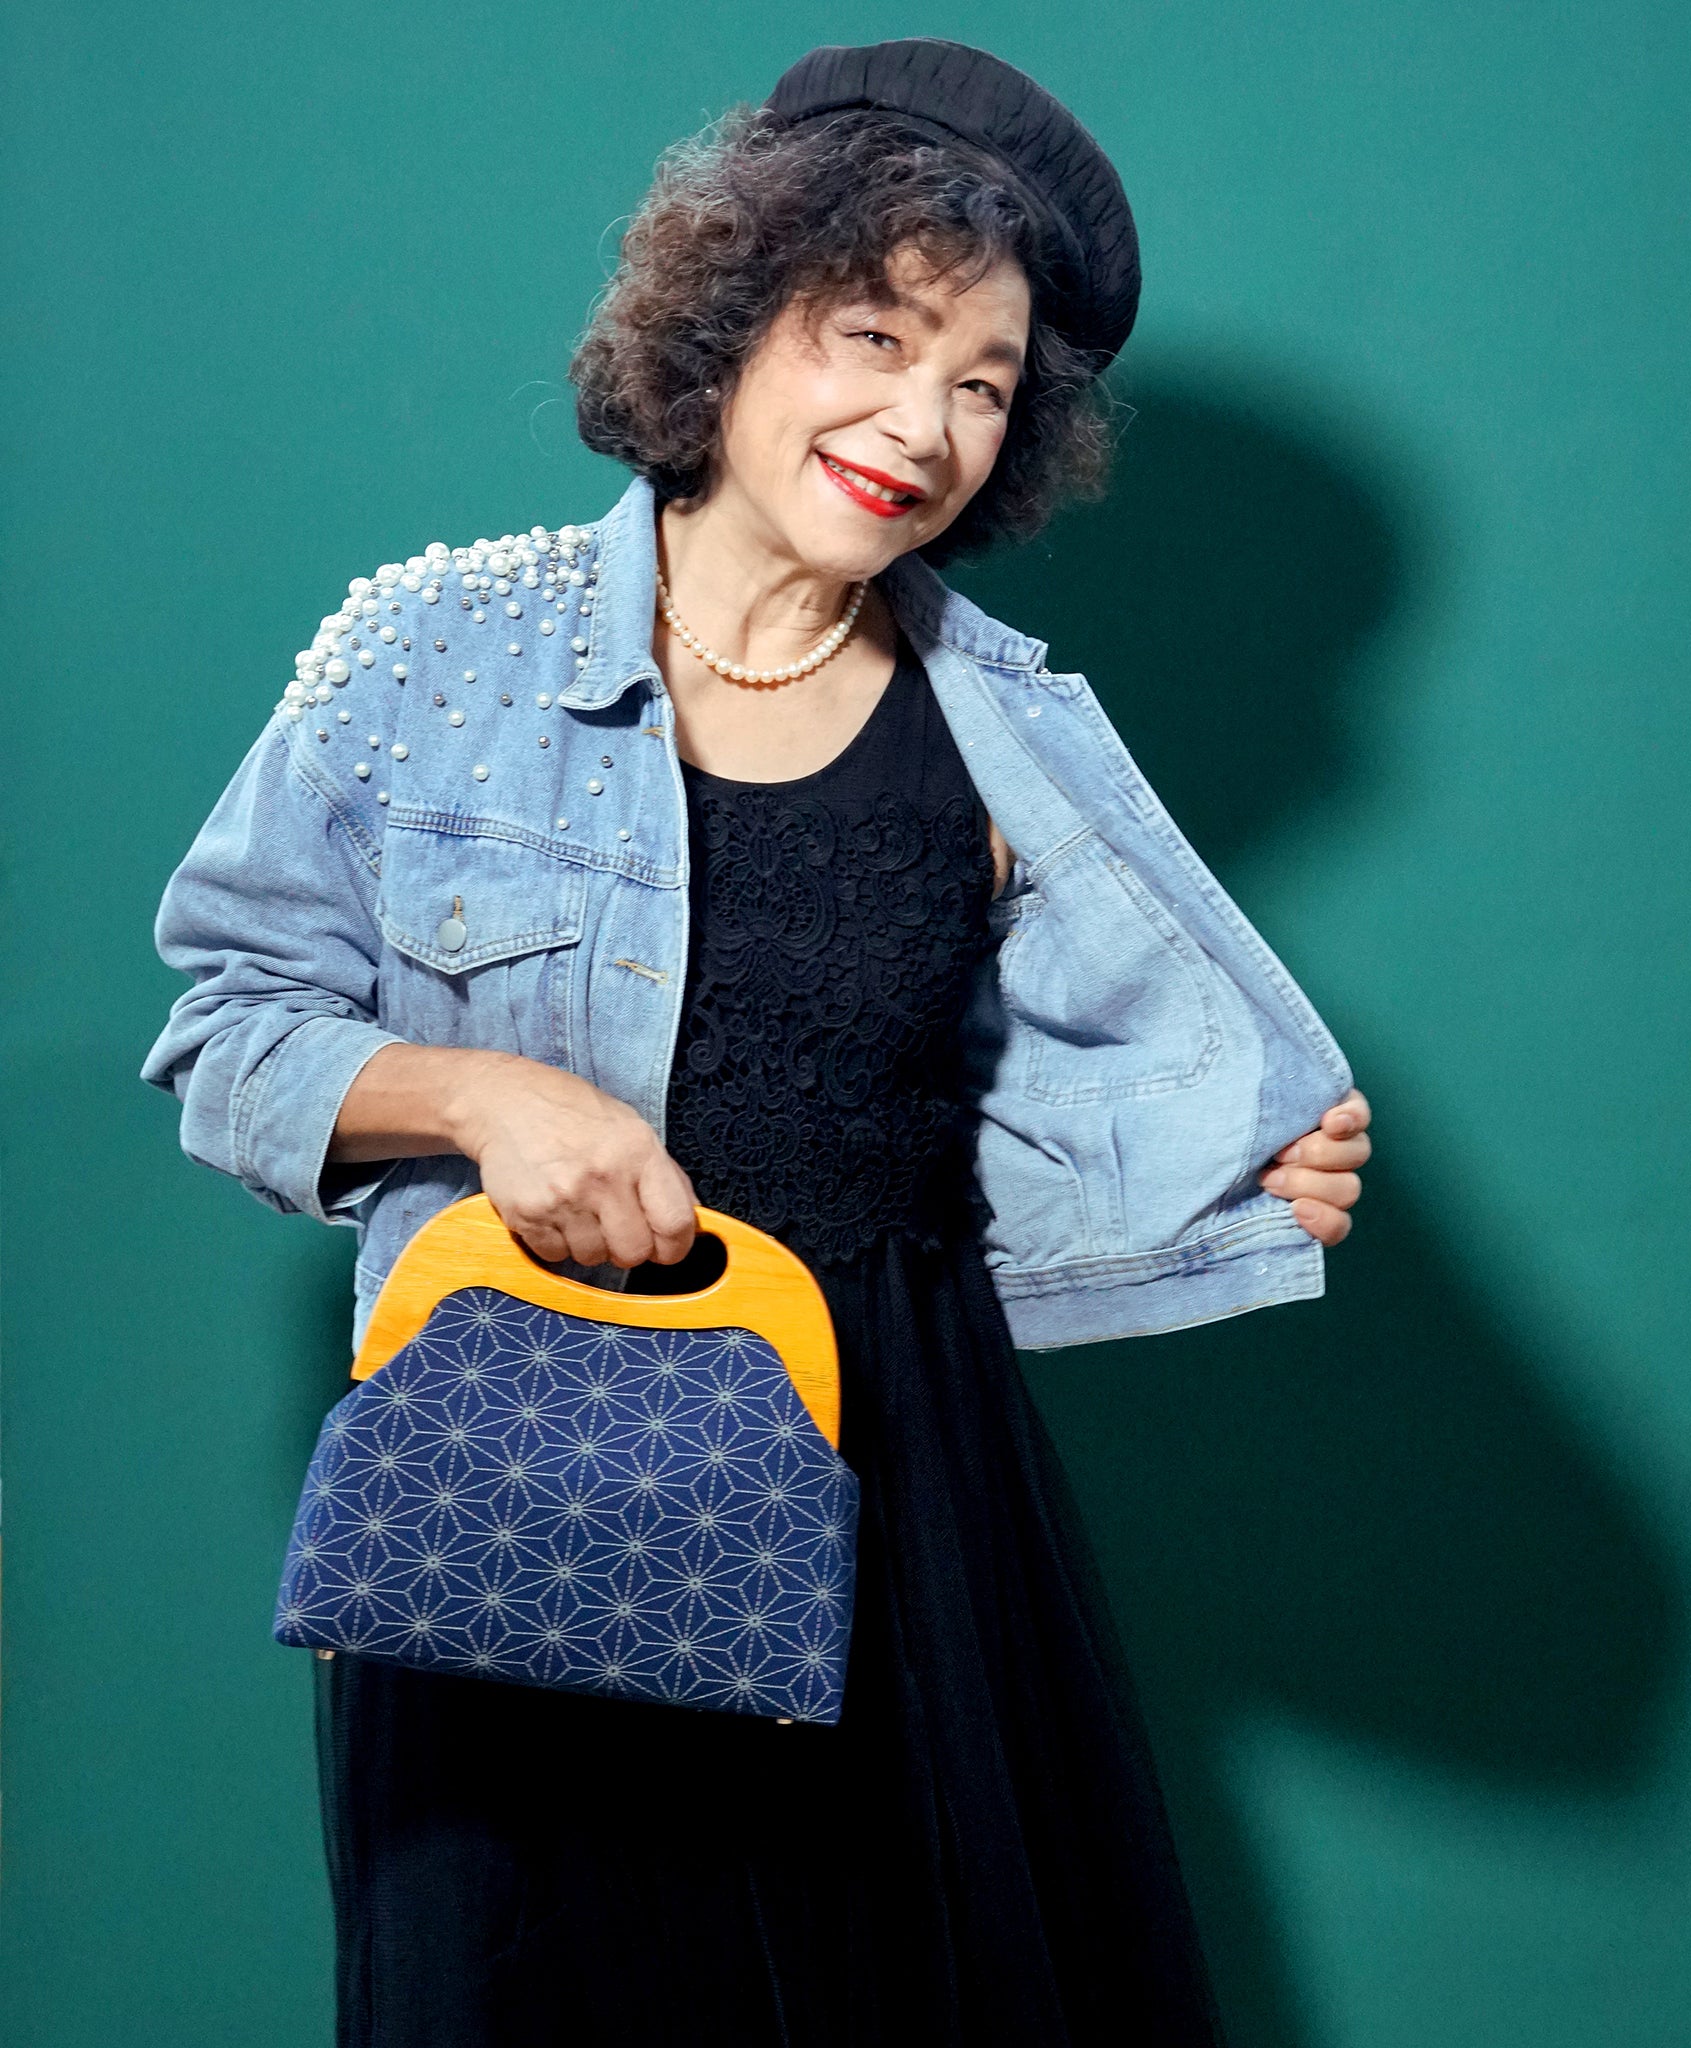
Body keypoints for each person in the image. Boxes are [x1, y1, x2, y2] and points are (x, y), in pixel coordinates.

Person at [142, 38, 1372, 2048]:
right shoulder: (426, 649)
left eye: (982, 383)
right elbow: (225, 1031)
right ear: (728, 323)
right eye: (873, 335)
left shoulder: (1015, 731)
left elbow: (1003, 1123)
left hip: (905, 1488)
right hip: (518, 1478)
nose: (922, 422)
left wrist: (1229, 1168)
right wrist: (479, 1098)